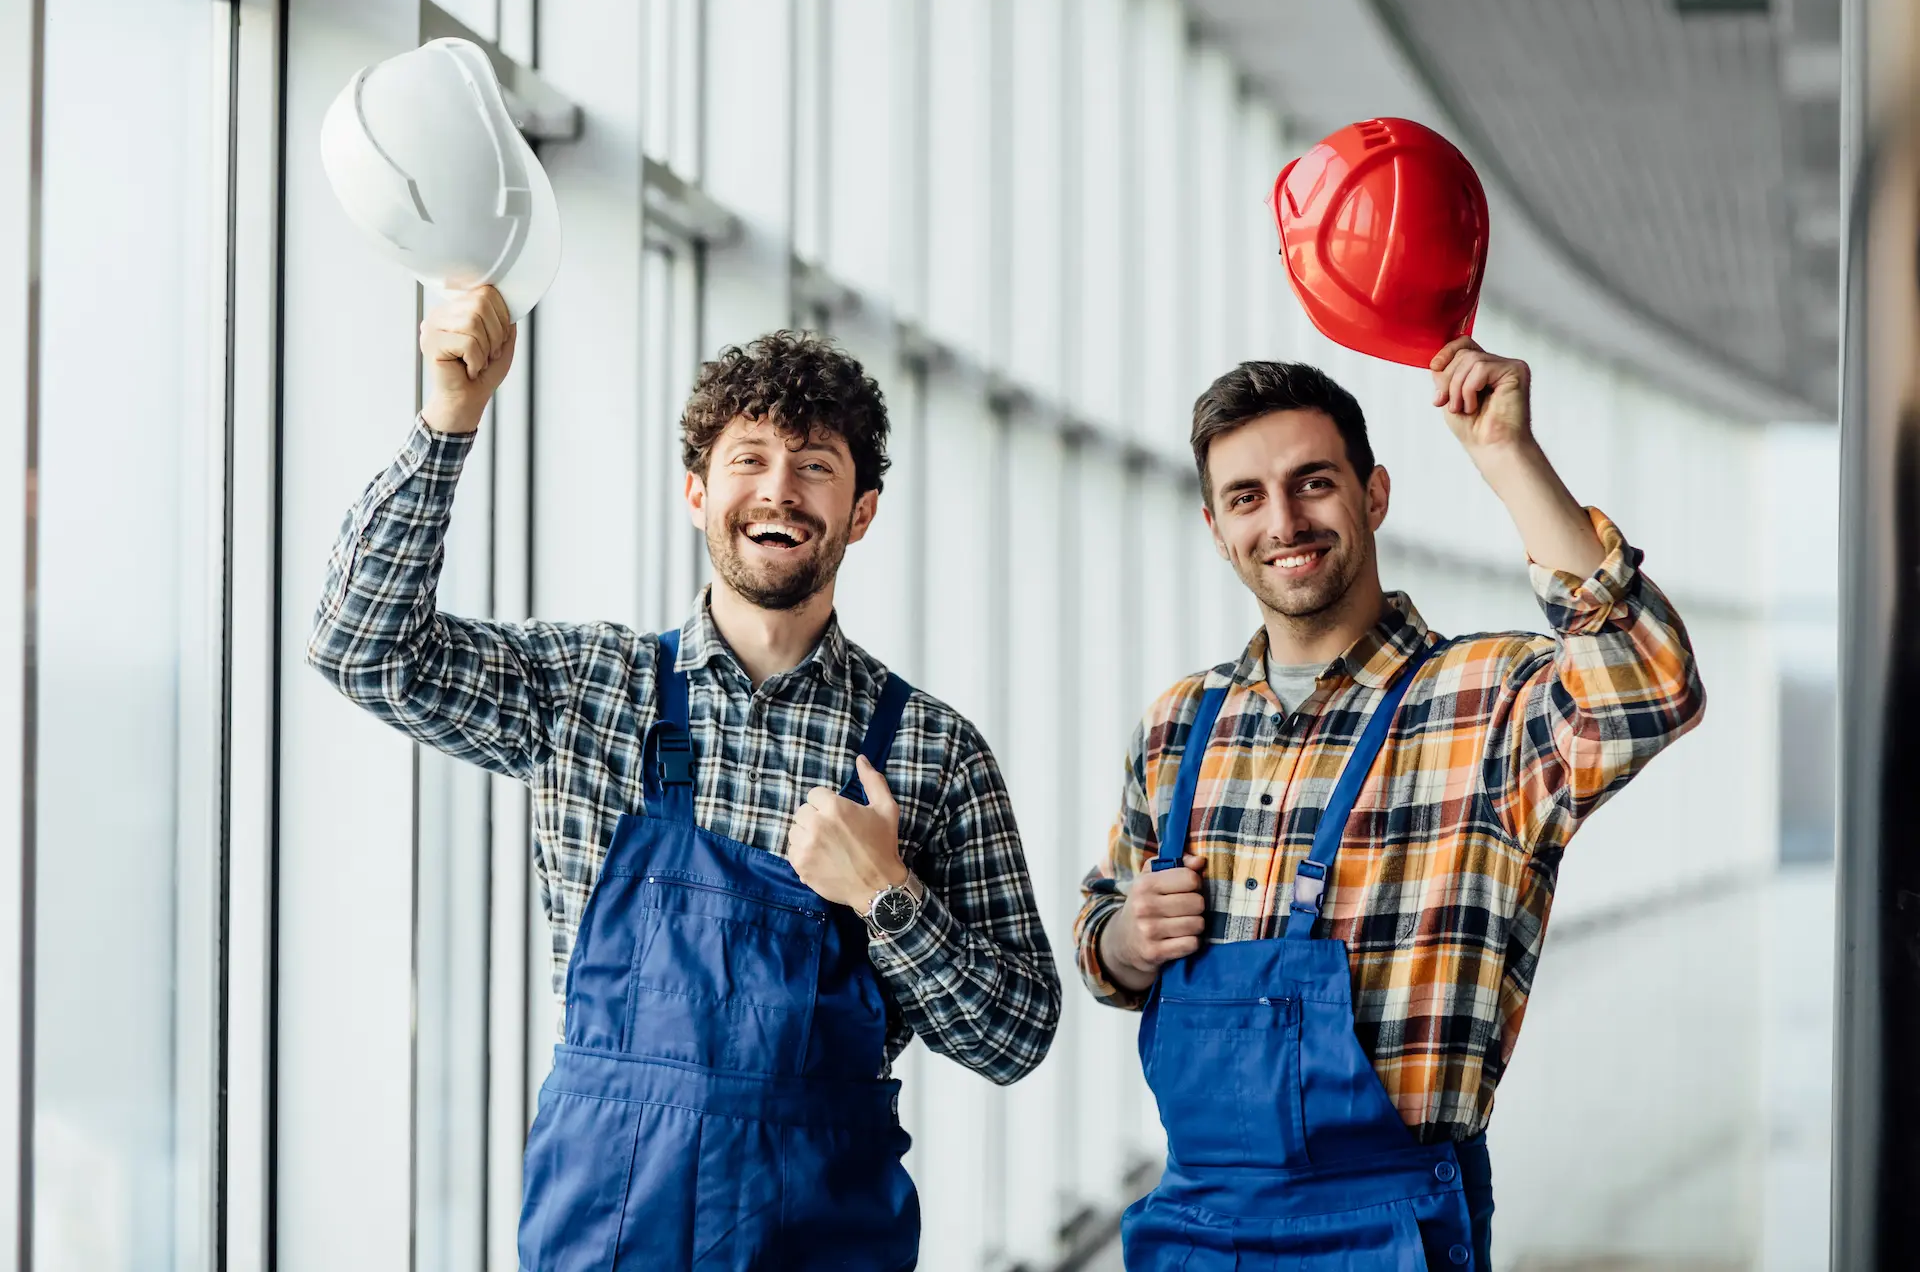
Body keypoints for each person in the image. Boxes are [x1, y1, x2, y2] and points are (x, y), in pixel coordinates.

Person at [308, 287, 1061, 1271]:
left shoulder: (929, 749)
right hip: (609, 1227)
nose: (780, 489)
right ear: (698, 491)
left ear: (861, 510)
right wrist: (451, 418)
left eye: (816, 467)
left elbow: (1016, 1034)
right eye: (749, 459)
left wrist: (887, 895)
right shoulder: (588, 690)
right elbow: (363, 650)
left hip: (824, 1236)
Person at [1074, 339, 1704, 1269]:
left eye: (1313, 482)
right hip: (1195, 1227)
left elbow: (1651, 690)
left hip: (1386, 1230)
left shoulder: (1484, 699)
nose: (1283, 519)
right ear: (1216, 527)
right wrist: (1122, 942)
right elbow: (1103, 928)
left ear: (1374, 494)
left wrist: (1506, 457)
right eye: (1247, 497)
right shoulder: (1180, 724)